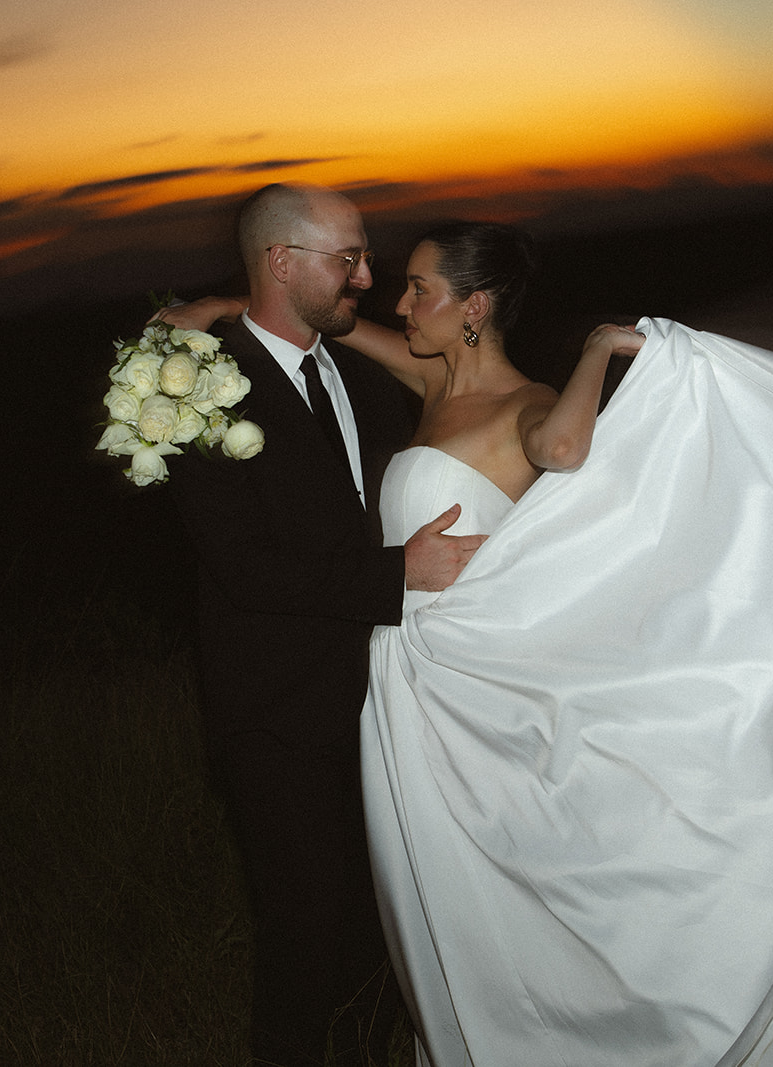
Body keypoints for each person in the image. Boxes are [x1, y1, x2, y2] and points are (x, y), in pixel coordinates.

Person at [172, 221, 773, 1066]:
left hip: (480, 687)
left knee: (524, 894)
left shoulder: (528, 404)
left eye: (419, 289)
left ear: (474, 307)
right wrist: (220, 307)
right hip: (405, 678)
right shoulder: (427, 377)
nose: (398, 300)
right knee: (434, 899)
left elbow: (565, 446)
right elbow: (334, 322)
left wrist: (593, 354)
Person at [150, 184, 485, 1067]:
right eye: (349, 260)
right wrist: (396, 572)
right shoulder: (194, 388)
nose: (367, 278)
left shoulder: (359, 366)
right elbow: (245, 565)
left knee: (380, 940)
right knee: (304, 936)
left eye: (366, 257)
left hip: (379, 706)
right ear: (282, 262)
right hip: (275, 718)